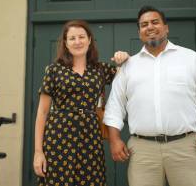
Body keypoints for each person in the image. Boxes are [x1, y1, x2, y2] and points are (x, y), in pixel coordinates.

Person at [103, 5, 196, 186]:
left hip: (186, 147)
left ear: (166, 27)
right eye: (144, 24)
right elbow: (115, 107)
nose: (150, 27)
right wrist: (114, 140)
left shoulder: (190, 58)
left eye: (155, 22)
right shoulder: (129, 66)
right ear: (139, 32)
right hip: (142, 150)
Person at [33, 20, 129, 186]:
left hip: (90, 139)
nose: (77, 42)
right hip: (58, 139)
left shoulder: (100, 69)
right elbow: (42, 113)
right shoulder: (54, 70)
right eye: (72, 38)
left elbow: (126, 79)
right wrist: (38, 152)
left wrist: (124, 59)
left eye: (81, 37)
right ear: (65, 43)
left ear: (89, 40)